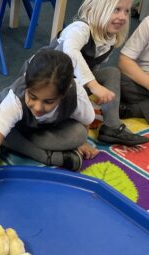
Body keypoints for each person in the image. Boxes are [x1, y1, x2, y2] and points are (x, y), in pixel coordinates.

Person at [0, 49, 98, 206]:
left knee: (79, 134)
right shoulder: (15, 99)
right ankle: (44, 156)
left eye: (48, 102)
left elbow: (86, 121)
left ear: (65, 92)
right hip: (21, 128)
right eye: (32, 97)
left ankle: (35, 148)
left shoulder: (76, 96)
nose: (38, 107)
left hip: (48, 133)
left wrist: (82, 143)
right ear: (26, 82)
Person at [52, 0, 148, 146]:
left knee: (111, 73)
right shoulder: (80, 28)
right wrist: (94, 85)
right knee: (73, 133)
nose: (123, 16)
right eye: (116, 10)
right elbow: (71, 51)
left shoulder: (109, 38)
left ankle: (112, 126)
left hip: (74, 85)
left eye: (126, 11)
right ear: (95, 9)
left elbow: (93, 67)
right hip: (51, 81)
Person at [118, 15, 149, 123]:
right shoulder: (148, 23)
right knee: (116, 78)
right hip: (141, 83)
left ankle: (133, 110)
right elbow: (124, 61)